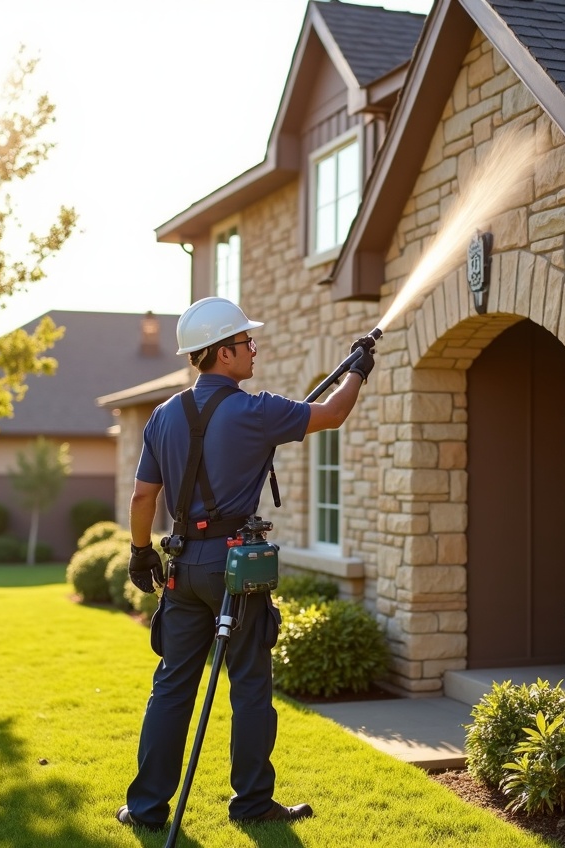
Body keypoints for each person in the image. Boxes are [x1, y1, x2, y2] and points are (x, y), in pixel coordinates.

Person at [117, 296, 374, 830]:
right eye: (245, 342)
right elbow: (334, 413)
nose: (253, 349)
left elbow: (143, 498)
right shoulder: (255, 411)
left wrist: (141, 552)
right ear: (222, 354)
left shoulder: (163, 416)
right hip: (237, 567)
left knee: (171, 684)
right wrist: (358, 370)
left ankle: (145, 809)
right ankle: (253, 804)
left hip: (182, 566)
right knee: (251, 684)